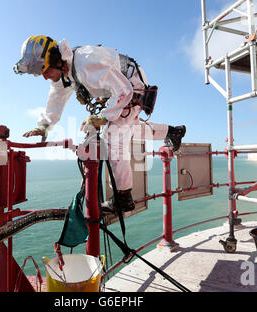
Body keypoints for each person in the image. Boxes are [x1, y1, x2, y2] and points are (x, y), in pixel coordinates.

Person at [14, 35, 186, 214]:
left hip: (130, 85)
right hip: (123, 85)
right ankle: (173, 132)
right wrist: (44, 125)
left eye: (45, 70)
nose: (44, 77)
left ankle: (123, 197)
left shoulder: (85, 63)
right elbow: (56, 99)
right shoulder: (65, 74)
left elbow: (124, 90)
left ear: (57, 59)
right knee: (128, 128)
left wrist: (104, 117)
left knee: (113, 136)